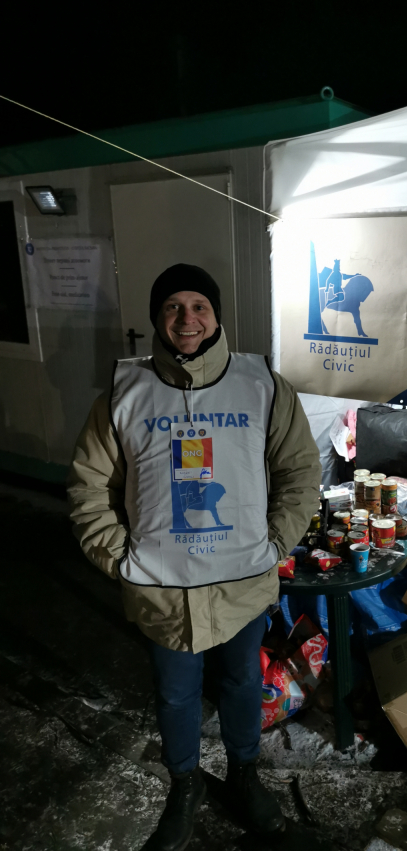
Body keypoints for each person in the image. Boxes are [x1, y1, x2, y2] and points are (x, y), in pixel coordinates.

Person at [68, 264, 321, 850]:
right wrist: (119, 558)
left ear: (216, 315)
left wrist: (275, 542)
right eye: (173, 307)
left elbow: (299, 471)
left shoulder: (262, 386)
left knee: (241, 681)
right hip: (162, 589)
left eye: (199, 306)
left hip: (241, 584)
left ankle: (244, 776)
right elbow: (89, 485)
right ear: (158, 318)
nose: (187, 319)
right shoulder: (125, 393)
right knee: (175, 693)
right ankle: (185, 785)